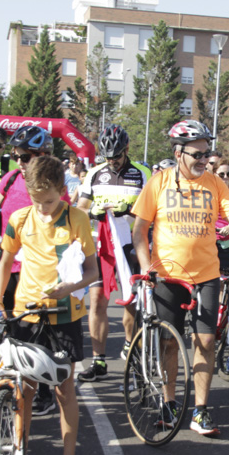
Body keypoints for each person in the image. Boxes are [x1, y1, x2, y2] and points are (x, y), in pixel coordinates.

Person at [131, 120, 229, 437]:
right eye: (197, 154)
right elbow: (139, 231)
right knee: (169, 342)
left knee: (205, 341)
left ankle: (200, 410)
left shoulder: (214, 183)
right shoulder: (158, 183)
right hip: (166, 274)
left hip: (205, 275)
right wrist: (145, 268)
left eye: (206, 153)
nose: (203, 159)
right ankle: (169, 404)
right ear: (178, 152)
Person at [0, 155, 98, 455]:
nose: (44, 208)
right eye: (37, 201)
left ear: (63, 191)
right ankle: (20, 453)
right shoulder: (19, 218)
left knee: (64, 391)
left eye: (49, 201)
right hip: (26, 314)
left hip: (64, 315)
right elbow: (4, 264)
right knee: (25, 391)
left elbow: (93, 272)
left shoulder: (77, 218)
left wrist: (70, 287)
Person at [0, 125, 69, 415]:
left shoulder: (54, 185)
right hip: (8, 265)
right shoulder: (9, 179)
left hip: (39, 270)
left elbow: (65, 223)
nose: (19, 162)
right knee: (3, 324)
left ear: (42, 155)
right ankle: (5, 385)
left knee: (38, 332)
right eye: (17, 156)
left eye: (25, 157)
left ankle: (42, 392)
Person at [75, 124, 150, 383]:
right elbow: (80, 209)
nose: (112, 161)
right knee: (97, 301)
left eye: (116, 156)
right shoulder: (95, 173)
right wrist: (94, 211)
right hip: (100, 246)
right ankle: (98, 360)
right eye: (108, 157)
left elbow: (153, 210)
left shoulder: (142, 173)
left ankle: (130, 345)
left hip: (131, 246)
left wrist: (129, 210)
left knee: (130, 302)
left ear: (127, 150)